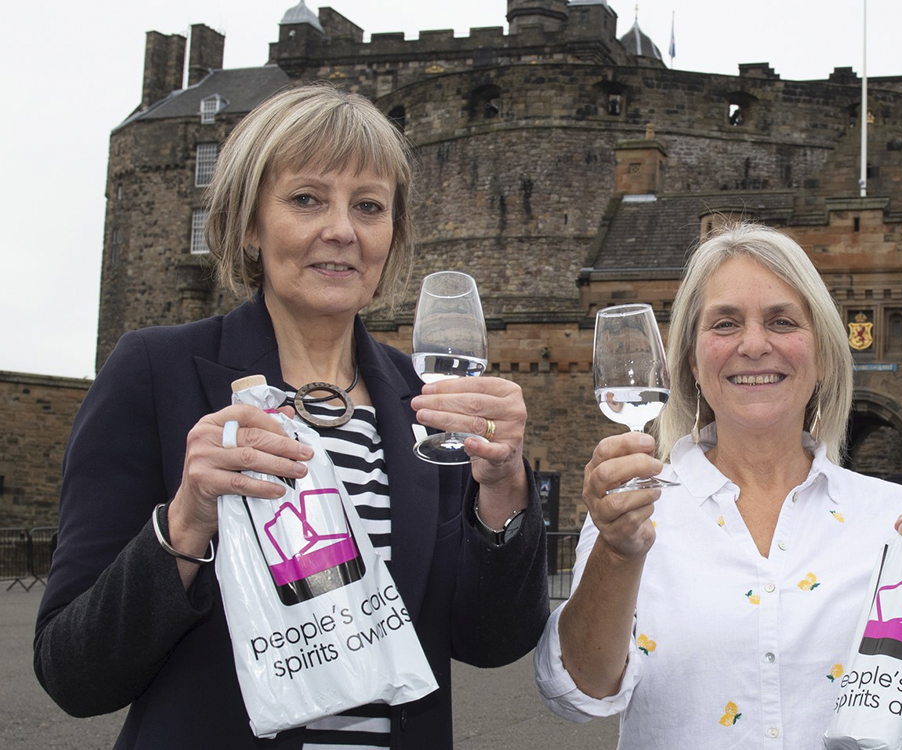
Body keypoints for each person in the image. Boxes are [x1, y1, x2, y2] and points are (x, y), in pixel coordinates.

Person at [35, 84, 548, 749]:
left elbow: (490, 642)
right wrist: (186, 521)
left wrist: (504, 488)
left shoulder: (424, 403)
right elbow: (73, 674)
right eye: (307, 199)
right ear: (250, 223)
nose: (341, 229)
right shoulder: (155, 373)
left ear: (391, 236)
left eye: (369, 206)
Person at [535, 223, 902, 748]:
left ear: (821, 354)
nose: (754, 345)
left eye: (781, 321)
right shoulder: (634, 512)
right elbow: (578, 692)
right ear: (691, 359)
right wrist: (617, 556)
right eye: (726, 323)